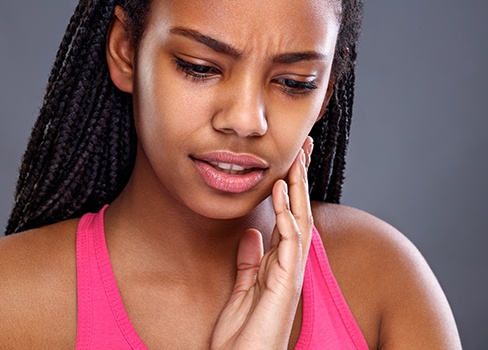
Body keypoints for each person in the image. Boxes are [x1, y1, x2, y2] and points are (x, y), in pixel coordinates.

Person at [0, 0, 462, 348]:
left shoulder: (384, 282)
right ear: (125, 50)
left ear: (325, 94)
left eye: (293, 82)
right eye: (199, 67)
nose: (246, 120)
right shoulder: (13, 302)